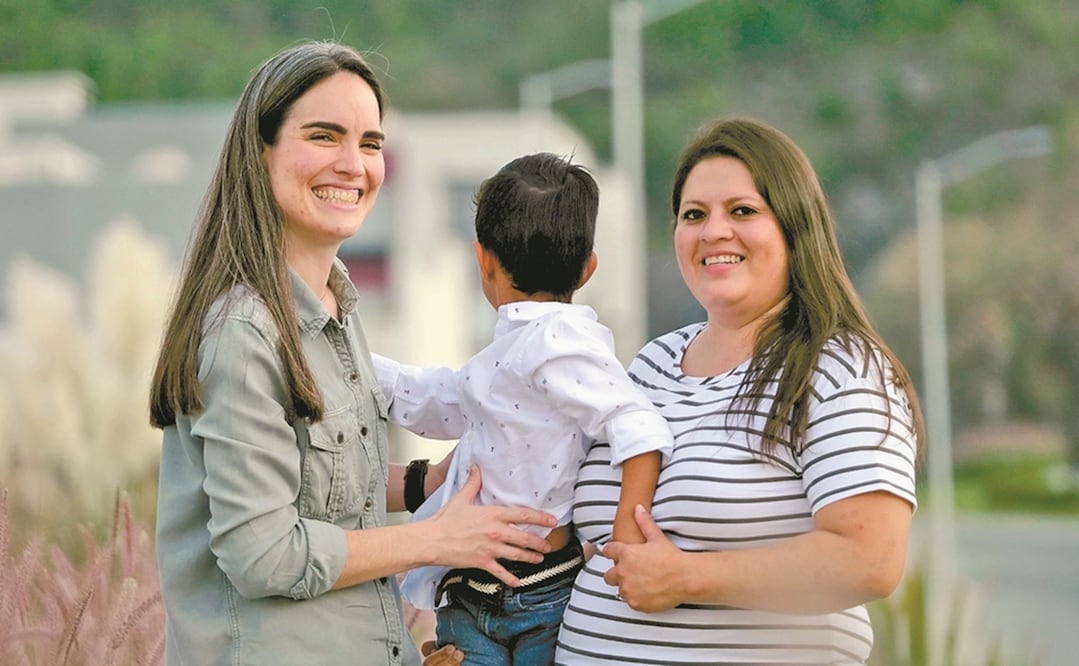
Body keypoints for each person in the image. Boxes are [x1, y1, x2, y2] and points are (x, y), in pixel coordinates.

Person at [148, 41, 558, 666]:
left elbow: (326, 494)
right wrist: (435, 541)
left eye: (369, 143)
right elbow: (264, 552)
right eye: (323, 136)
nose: (353, 163)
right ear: (261, 153)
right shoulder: (244, 332)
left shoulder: (336, 311)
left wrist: (430, 482)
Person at [554, 117, 925, 665]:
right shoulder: (653, 363)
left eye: (743, 211)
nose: (713, 232)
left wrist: (687, 577)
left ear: (795, 227)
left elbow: (869, 559)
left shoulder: (837, 367)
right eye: (693, 215)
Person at [373, 152, 673, 665]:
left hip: (539, 591)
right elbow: (445, 402)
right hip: (484, 584)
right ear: (587, 268)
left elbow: (641, 429)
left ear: (483, 261)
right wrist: (363, 368)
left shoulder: (557, 339)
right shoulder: (512, 352)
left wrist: (628, 539)